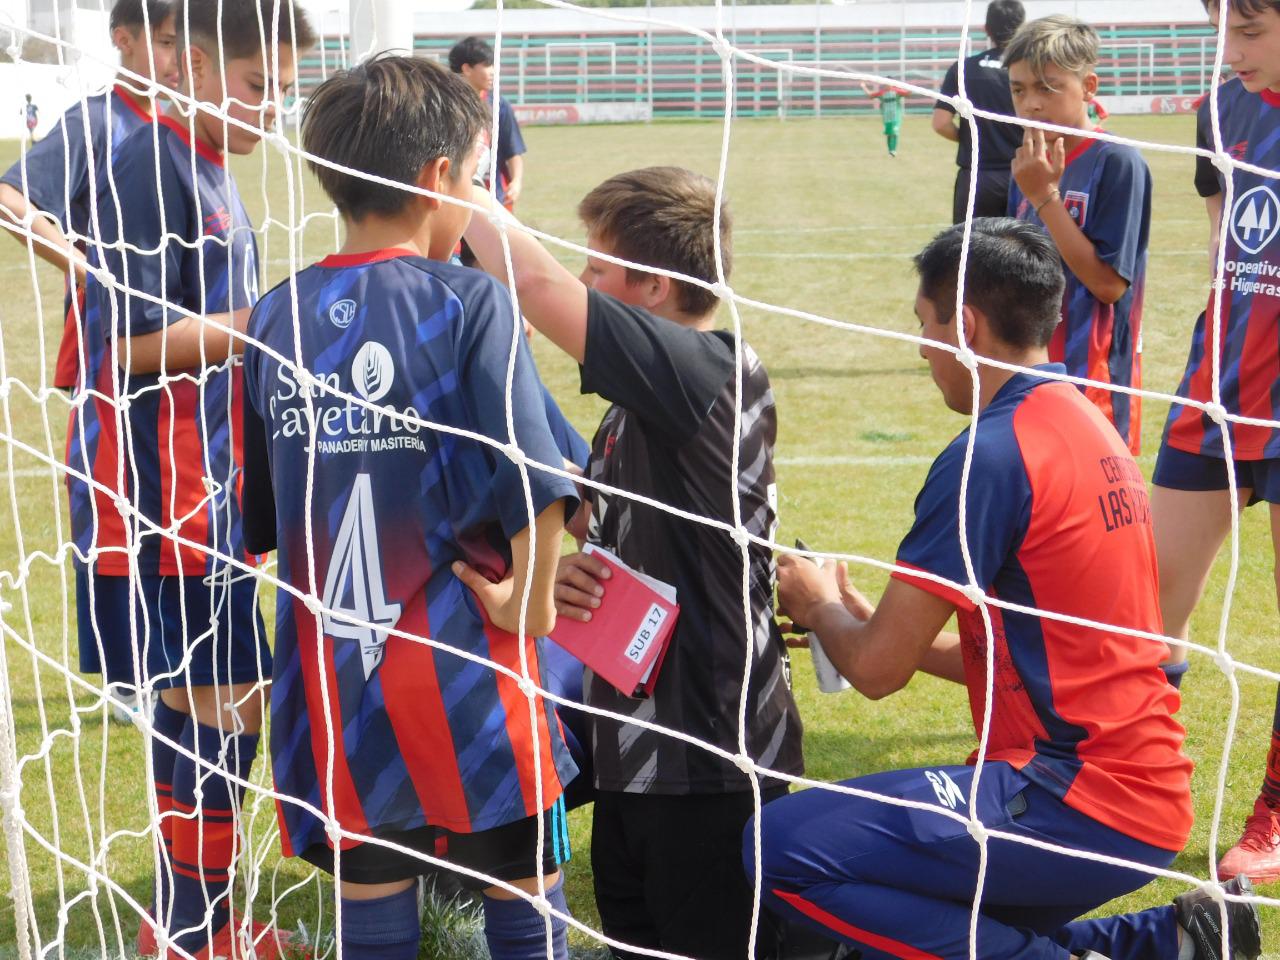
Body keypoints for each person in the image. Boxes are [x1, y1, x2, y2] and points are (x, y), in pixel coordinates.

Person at [748, 218, 1263, 960]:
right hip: (1139, 788)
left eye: (925, 327)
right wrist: (864, 617)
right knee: (896, 903)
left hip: (1077, 798)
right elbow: (1032, 649)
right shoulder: (1088, 424)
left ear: (966, 324)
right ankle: (1174, 938)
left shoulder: (987, 456)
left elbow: (875, 673)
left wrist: (817, 605)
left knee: (780, 849)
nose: (925, 350)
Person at [240, 54, 580, 960]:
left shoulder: (275, 318)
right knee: (524, 889)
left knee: (375, 904)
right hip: (466, 666)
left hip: (335, 677)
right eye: (475, 179)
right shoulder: (468, 302)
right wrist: (535, 603)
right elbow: (535, 475)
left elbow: (268, 516)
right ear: (439, 180)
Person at [463, 168, 805, 959]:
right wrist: (579, 560)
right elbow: (596, 511)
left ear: (653, 287)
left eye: (601, 268)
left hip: (707, 754)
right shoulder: (638, 409)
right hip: (636, 747)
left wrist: (456, 176)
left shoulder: (705, 372)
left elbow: (540, 285)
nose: (584, 280)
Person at [64, 1, 315, 955]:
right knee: (223, 702)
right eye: (259, 87)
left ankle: (188, 927)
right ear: (196, 63)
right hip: (155, 502)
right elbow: (110, 348)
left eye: (284, 95)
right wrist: (268, 325)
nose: (269, 112)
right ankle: (194, 934)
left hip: (202, 496)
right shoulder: (145, 162)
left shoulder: (204, 163)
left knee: (206, 701)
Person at [1154, 0, 1280, 885]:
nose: (1229, 50)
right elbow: (1221, 237)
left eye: (1252, 29)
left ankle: (1273, 812)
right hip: (1220, 386)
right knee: (1143, 600)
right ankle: (1129, 779)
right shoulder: (1222, 101)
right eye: (1219, 26)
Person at [0, 0, 179, 391]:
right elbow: (8, 199)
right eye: (166, 41)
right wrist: (93, 274)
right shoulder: (96, 121)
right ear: (123, 39)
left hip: (170, 336)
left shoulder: (175, 127)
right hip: (108, 340)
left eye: (183, 43)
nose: (177, 57)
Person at [1006, 15, 1151, 455]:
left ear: (1088, 86)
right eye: (1018, 89)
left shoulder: (1117, 161)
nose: (1031, 103)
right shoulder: (1028, 165)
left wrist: (1045, 196)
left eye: (1048, 88)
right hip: (1027, 368)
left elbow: (1108, 285)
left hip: (1093, 377)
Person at [933, 0, 1026, 222]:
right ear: (1022, 27)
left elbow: (940, 123)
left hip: (977, 176)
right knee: (1025, 251)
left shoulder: (963, 68)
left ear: (987, 29)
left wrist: (968, 138)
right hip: (1024, 173)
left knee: (971, 251)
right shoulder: (1029, 69)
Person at [450, 35, 526, 210]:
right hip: (456, 201)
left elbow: (513, 151)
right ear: (467, 69)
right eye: (486, 65)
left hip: (494, 199)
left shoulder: (499, 106)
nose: (493, 71)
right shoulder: (445, 107)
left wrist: (516, 181)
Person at [862, 80, 904, 156]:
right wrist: (864, 87)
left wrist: (912, 87)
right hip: (887, 117)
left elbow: (908, 94)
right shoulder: (882, 93)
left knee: (895, 132)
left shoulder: (897, 91)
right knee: (889, 133)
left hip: (896, 116)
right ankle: (890, 151)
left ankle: (893, 151)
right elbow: (870, 95)